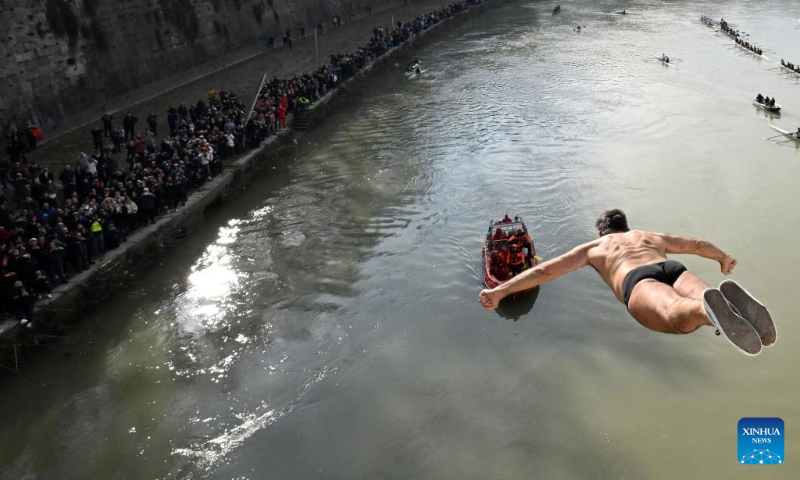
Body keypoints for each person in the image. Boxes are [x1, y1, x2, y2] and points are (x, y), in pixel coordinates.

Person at [478, 209, 777, 356]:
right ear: (626, 227)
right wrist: (723, 258)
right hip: (670, 266)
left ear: (601, 233)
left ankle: (706, 312)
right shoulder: (647, 236)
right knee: (703, 294)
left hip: (637, 280)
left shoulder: (594, 249)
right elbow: (697, 244)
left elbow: (544, 272)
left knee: (675, 315)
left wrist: (500, 290)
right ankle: (715, 304)